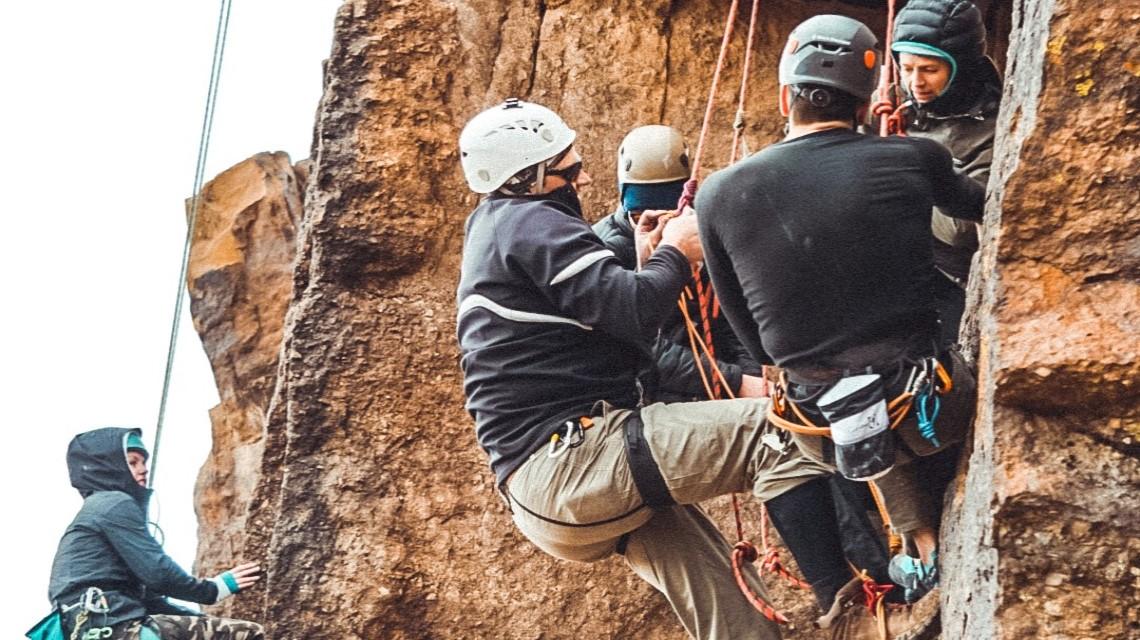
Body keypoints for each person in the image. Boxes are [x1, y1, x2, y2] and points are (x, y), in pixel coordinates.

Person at [456, 97, 840, 639]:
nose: (584, 177)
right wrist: (678, 252)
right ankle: (849, 604)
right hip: (575, 460)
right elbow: (635, 311)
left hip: (546, 489)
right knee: (778, 431)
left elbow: (615, 330)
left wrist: (642, 265)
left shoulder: (498, 231)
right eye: (569, 168)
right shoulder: (530, 222)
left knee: (732, 614)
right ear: (531, 178)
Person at [696, 14, 984, 609]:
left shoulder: (719, 193)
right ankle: (922, 544)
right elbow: (980, 205)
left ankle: (912, 547)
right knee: (892, 366)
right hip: (932, 413)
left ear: (783, 95)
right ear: (870, 97)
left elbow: (756, 342)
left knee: (841, 386)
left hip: (822, 434)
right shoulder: (914, 159)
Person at [593, 124, 895, 606]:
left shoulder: (695, 230)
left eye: (668, 205)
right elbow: (643, 349)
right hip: (656, 396)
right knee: (788, 436)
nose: (652, 215)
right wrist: (739, 382)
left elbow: (728, 310)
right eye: (638, 207)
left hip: (708, 376)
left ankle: (876, 571)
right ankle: (851, 591)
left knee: (817, 427)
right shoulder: (605, 253)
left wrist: (754, 372)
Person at [41, 428, 264, 640]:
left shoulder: (97, 514)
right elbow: (158, 574)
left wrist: (202, 621)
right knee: (248, 634)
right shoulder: (112, 503)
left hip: (100, 629)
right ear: (108, 467)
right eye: (132, 462)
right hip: (116, 630)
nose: (144, 468)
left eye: (144, 461)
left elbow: (151, 600)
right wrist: (215, 589)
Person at [892, 0, 1002, 347]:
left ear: (961, 68)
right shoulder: (897, 110)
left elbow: (960, 231)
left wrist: (906, 169)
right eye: (906, 68)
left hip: (952, 284)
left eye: (929, 70)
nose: (915, 82)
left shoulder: (993, 126)